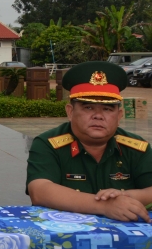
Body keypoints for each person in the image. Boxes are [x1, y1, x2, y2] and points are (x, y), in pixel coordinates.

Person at [27, 61, 152, 222]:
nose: (98, 116)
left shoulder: (136, 147)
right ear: (70, 112)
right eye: (88, 108)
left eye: (107, 109)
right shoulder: (48, 144)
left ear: (119, 115)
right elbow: (39, 190)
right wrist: (104, 206)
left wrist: (124, 196)